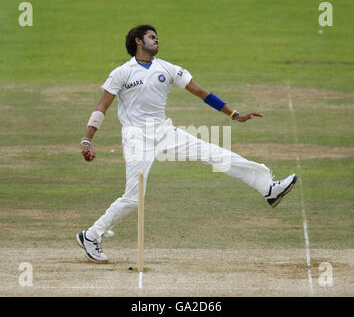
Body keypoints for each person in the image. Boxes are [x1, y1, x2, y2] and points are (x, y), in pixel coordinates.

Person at [76, 24, 297, 263]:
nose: (156, 40)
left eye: (156, 37)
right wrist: (87, 138)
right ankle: (91, 235)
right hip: (136, 137)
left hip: (164, 130)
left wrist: (234, 114)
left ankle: (268, 188)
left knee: (215, 153)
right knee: (133, 198)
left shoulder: (167, 68)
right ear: (138, 42)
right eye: (151, 37)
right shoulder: (122, 72)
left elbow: (202, 93)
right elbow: (102, 106)